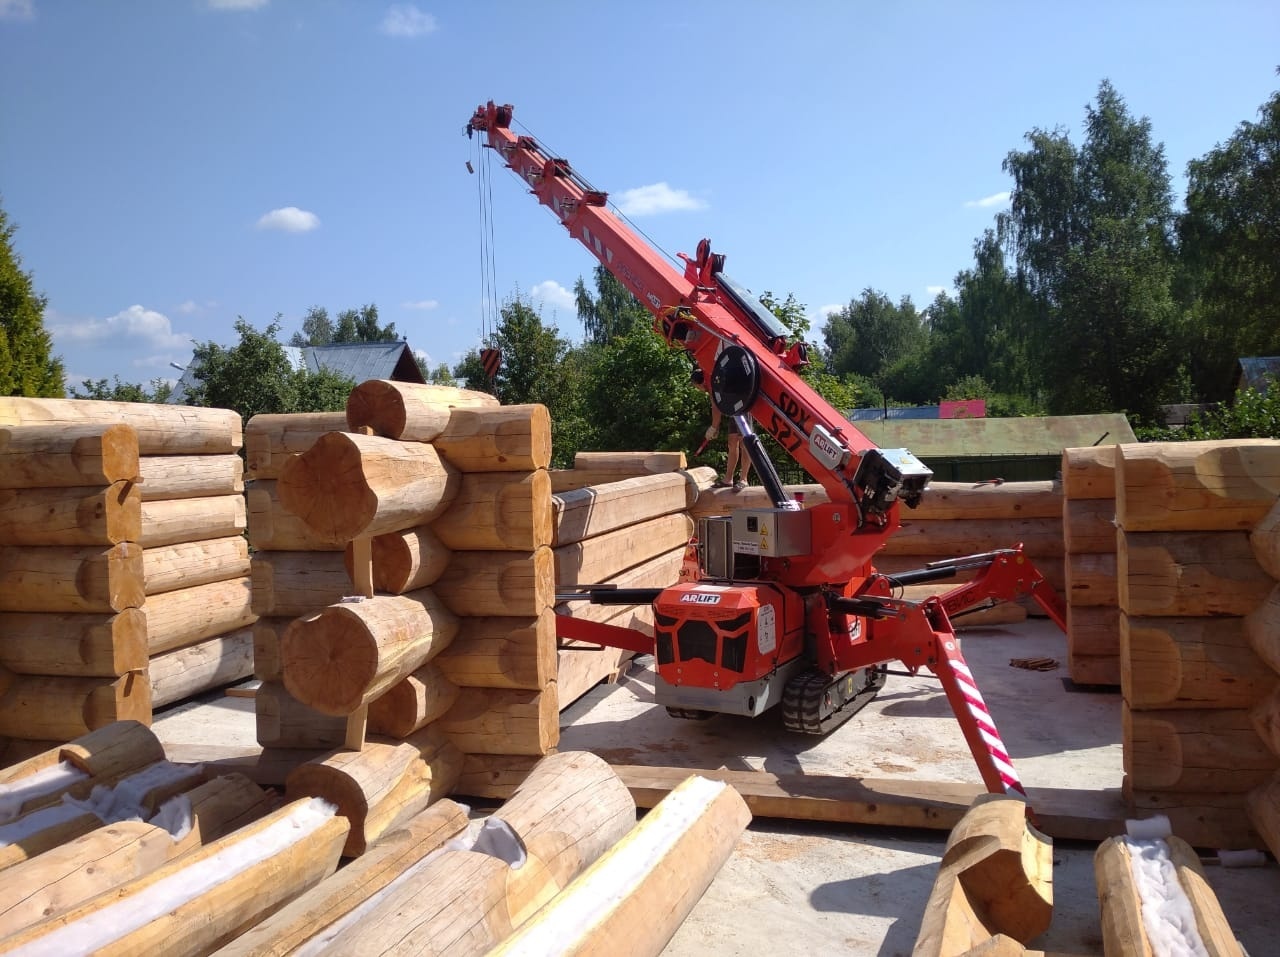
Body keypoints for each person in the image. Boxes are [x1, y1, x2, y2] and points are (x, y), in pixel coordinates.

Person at [705, 405, 752, 490]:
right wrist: (715, 427)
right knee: (732, 442)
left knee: (744, 443)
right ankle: (728, 479)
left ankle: (744, 479)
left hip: (743, 406)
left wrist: (714, 427)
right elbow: (716, 407)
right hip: (733, 410)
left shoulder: (714, 395)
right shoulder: (715, 396)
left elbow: (716, 407)